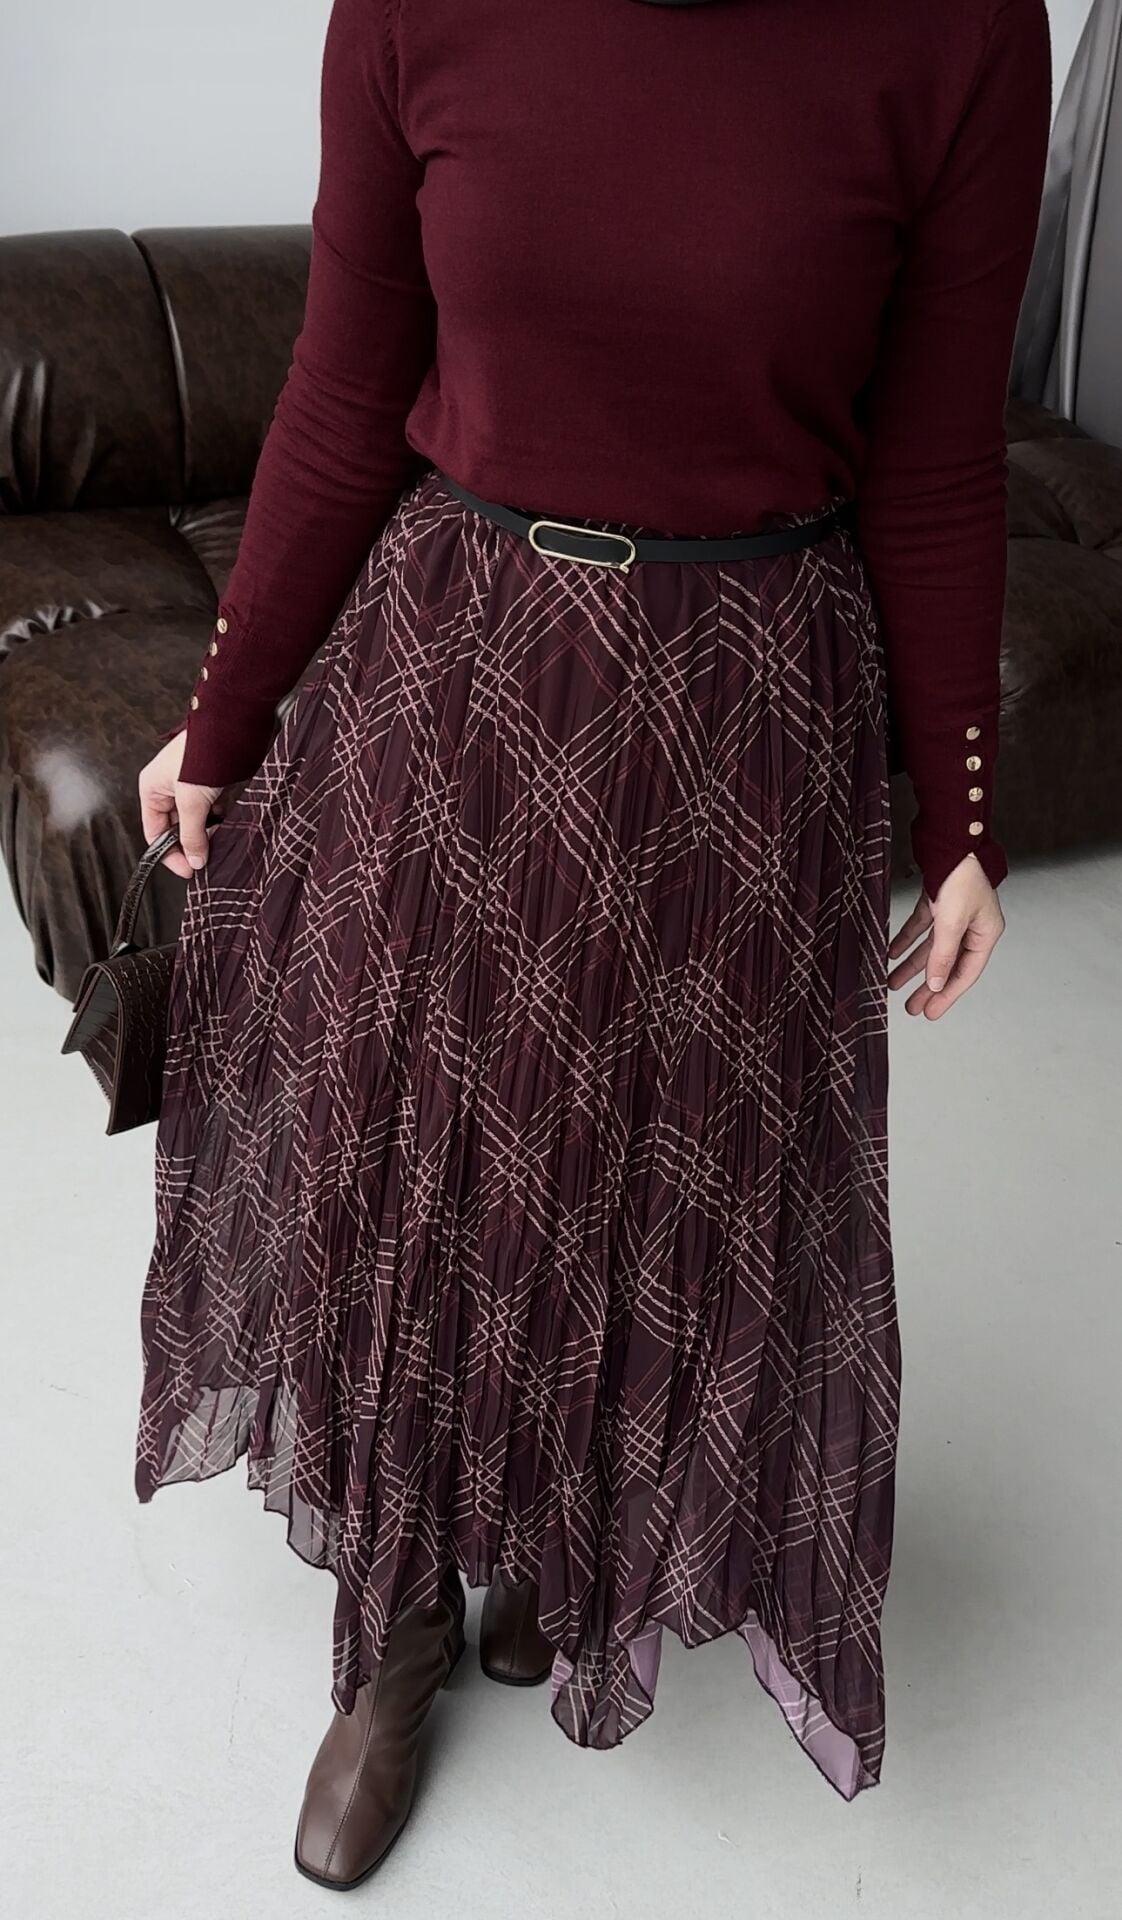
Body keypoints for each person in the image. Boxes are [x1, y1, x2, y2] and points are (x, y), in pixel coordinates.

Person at [134, 0, 1052, 1891]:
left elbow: (939, 456)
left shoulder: (959, 31)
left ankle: (555, 1539)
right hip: (460, 667)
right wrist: (221, 719)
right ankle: (394, 1635)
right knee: (408, 1167)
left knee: (650, 1171)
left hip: (747, 710)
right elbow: (342, 389)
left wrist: (959, 816)